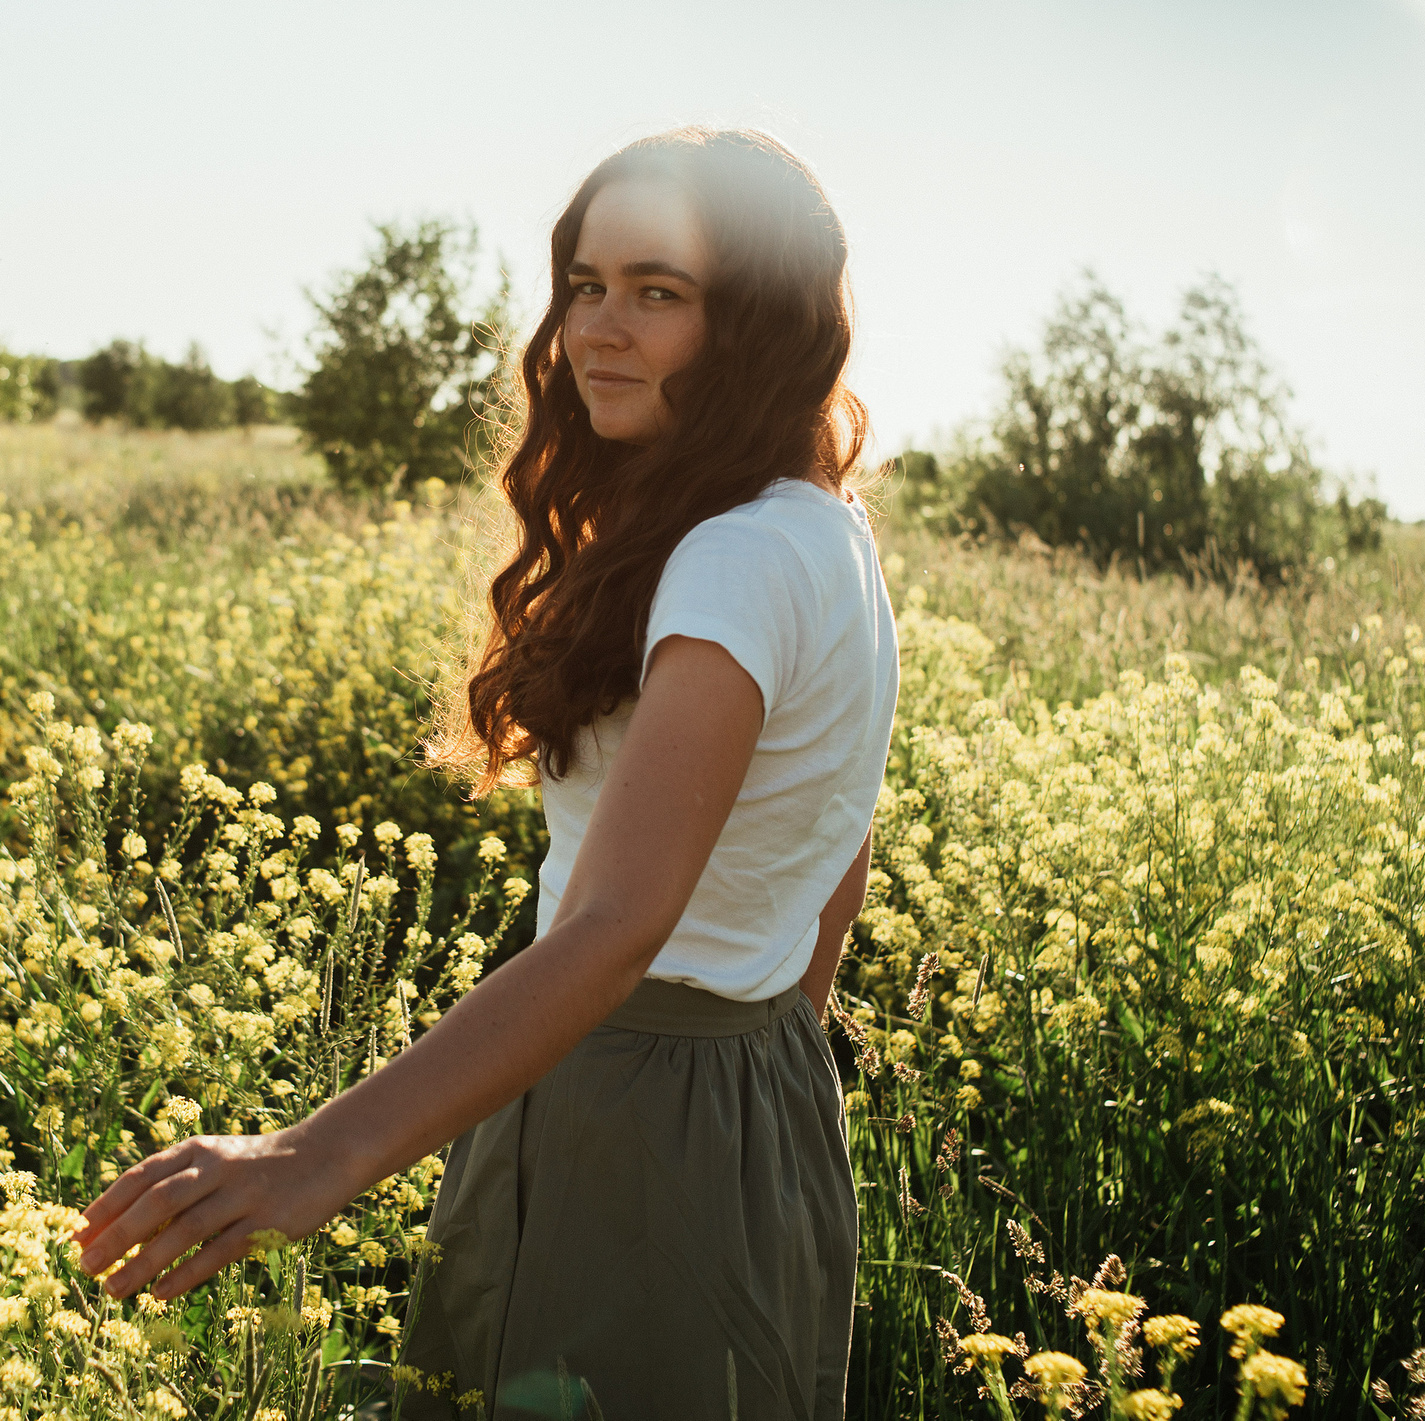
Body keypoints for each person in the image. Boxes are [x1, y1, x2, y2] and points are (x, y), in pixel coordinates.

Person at [75, 127, 900, 1419]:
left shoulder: (736, 560)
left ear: (761, 321)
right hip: (758, 1094)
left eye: (659, 292)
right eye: (585, 283)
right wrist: (770, 1048)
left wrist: (312, 1158)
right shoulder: (828, 529)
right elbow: (841, 828)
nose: (597, 330)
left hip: (628, 1105)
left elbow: (620, 926)